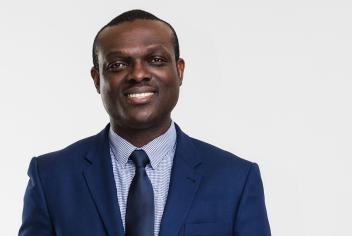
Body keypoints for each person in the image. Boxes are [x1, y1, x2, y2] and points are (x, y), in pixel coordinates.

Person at [19, 9, 271, 236]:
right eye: (118, 64)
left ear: (179, 70)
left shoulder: (235, 179)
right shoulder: (51, 177)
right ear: (97, 79)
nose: (138, 74)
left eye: (156, 60)